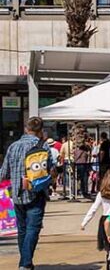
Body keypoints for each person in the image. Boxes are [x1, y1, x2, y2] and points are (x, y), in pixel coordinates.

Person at [0, 116, 52, 270]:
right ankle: (25, 263)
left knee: (22, 229)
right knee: (33, 229)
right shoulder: (44, 146)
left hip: (16, 194)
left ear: (25, 128)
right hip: (37, 192)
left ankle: (25, 261)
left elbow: (4, 172)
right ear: (41, 130)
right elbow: (50, 170)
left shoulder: (13, 146)